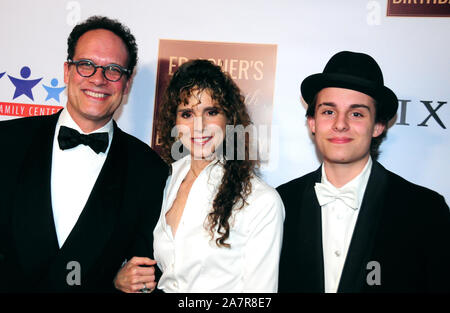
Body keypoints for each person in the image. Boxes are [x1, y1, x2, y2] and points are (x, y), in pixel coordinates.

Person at [0, 16, 168, 292]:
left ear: (126, 84)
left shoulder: (149, 171)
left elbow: (142, 276)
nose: (99, 79)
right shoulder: (6, 142)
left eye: (113, 69)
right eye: (86, 65)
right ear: (67, 72)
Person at [277, 51, 450, 293]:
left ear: (378, 125)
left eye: (356, 113)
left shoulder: (425, 211)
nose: (340, 123)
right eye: (328, 111)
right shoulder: (279, 204)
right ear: (312, 122)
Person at [114, 59, 285, 293]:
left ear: (230, 119)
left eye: (211, 112)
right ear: (174, 122)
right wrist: (121, 278)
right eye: (186, 114)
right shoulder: (162, 180)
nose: (199, 126)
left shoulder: (261, 201)